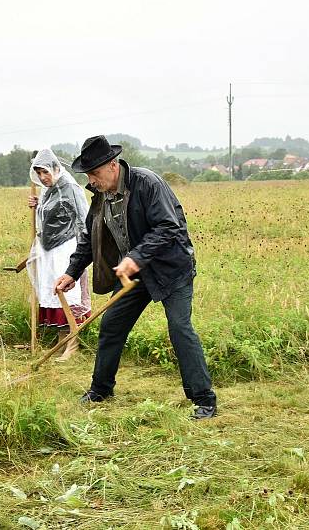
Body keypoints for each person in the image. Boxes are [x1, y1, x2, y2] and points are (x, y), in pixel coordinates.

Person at [54, 135, 218, 420]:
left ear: (113, 165)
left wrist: (135, 257)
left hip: (170, 269)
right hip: (133, 274)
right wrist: (72, 271)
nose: (91, 180)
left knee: (180, 328)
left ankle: (204, 399)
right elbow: (89, 239)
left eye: (94, 173)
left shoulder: (148, 183)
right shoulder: (100, 196)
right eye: (88, 175)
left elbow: (169, 228)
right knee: (112, 326)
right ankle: (100, 389)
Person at [27, 149, 90, 361]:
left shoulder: (70, 187)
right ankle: (62, 341)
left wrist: (84, 251)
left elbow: (83, 218)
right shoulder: (49, 190)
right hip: (49, 249)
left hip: (67, 247)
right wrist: (37, 207)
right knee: (54, 292)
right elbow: (49, 217)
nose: (43, 178)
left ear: (55, 168)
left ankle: (72, 344)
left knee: (67, 293)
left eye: (45, 172)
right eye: (39, 173)